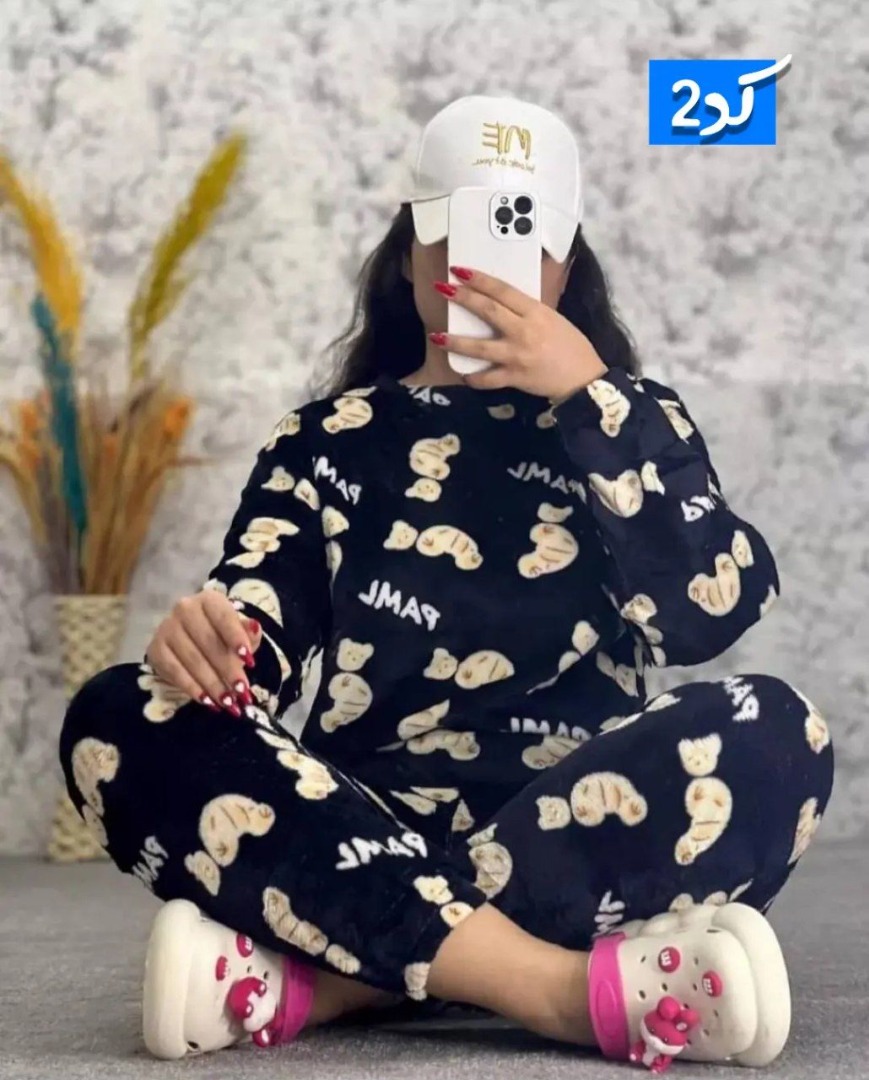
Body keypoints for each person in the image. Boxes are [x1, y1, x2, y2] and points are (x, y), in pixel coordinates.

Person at [59, 94, 833, 1072]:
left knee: (777, 733)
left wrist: (594, 400)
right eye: (457, 234)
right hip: (353, 815)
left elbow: (704, 615)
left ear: (565, 262)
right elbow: (256, 644)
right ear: (409, 252)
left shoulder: (631, 424)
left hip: (578, 817)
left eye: (519, 237)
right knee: (119, 713)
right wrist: (210, 642)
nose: (486, 268)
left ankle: (336, 979)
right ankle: (552, 988)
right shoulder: (327, 440)